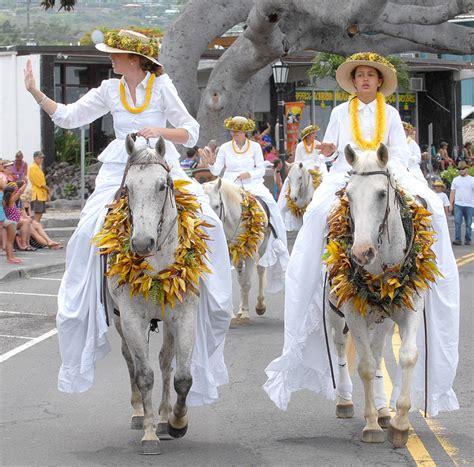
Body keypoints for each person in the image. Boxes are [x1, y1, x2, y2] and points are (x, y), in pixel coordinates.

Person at [24, 29, 233, 403]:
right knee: (86, 233)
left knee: (210, 221)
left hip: (162, 166)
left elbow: (190, 132)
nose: (111, 59)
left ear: (134, 60)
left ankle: (214, 299)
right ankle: (92, 303)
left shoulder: (161, 85)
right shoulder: (108, 89)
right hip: (119, 170)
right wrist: (38, 95)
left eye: (116, 55)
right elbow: (71, 117)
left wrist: (159, 130)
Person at [264, 52, 460, 417]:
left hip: (387, 173)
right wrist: (326, 149)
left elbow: (400, 154)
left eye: (371, 75)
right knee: (317, 214)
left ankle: (429, 273)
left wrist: (386, 168)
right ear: (353, 83)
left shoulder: (393, 115)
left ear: (378, 82)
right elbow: (336, 150)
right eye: (360, 76)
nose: (365, 80)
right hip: (348, 174)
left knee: (431, 208)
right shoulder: (340, 113)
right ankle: (320, 276)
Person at [201, 115, 290, 293]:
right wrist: (210, 164)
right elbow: (218, 170)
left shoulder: (255, 147)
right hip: (229, 184)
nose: (234, 133)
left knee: (271, 204)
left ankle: (277, 239)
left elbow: (260, 168)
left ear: (245, 132)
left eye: (238, 131)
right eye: (232, 130)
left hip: (252, 184)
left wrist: (249, 175)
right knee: (209, 201)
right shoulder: (225, 148)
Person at [278, 124, 328, 231]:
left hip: (316, 165)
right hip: (303, 166)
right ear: (308, 136)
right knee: (291, 179)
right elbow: (297, 160)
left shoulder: (318, 143)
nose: (315, 135)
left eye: (315, 133)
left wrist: (317, 165)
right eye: (313, 134)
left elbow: (321, 156)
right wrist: (303, 168)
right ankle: (286, 200)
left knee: (325, 177)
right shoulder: (300, 146)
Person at [450, 161, 474, 246]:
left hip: (469, 205)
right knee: (457, 222)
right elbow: (452, 192)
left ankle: (468, 239)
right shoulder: (455, 180)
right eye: (459, 169)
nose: (461, 170)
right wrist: (451, 204)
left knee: (468, 223)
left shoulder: (472, 179)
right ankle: (458, 239)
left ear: (466, 169)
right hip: (458, 204)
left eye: (463, 169)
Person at [28, 151, 50, 223]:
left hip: (41, 194)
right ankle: (35, 230)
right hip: (37, 194)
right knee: (37, 215)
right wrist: (48, 189)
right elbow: (39, 183)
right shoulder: (33, 167)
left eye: (42, 158)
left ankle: (36, 229)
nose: (41, 159)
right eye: (39, 158)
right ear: (34, 158)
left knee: (40, 214)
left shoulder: (38, 167)